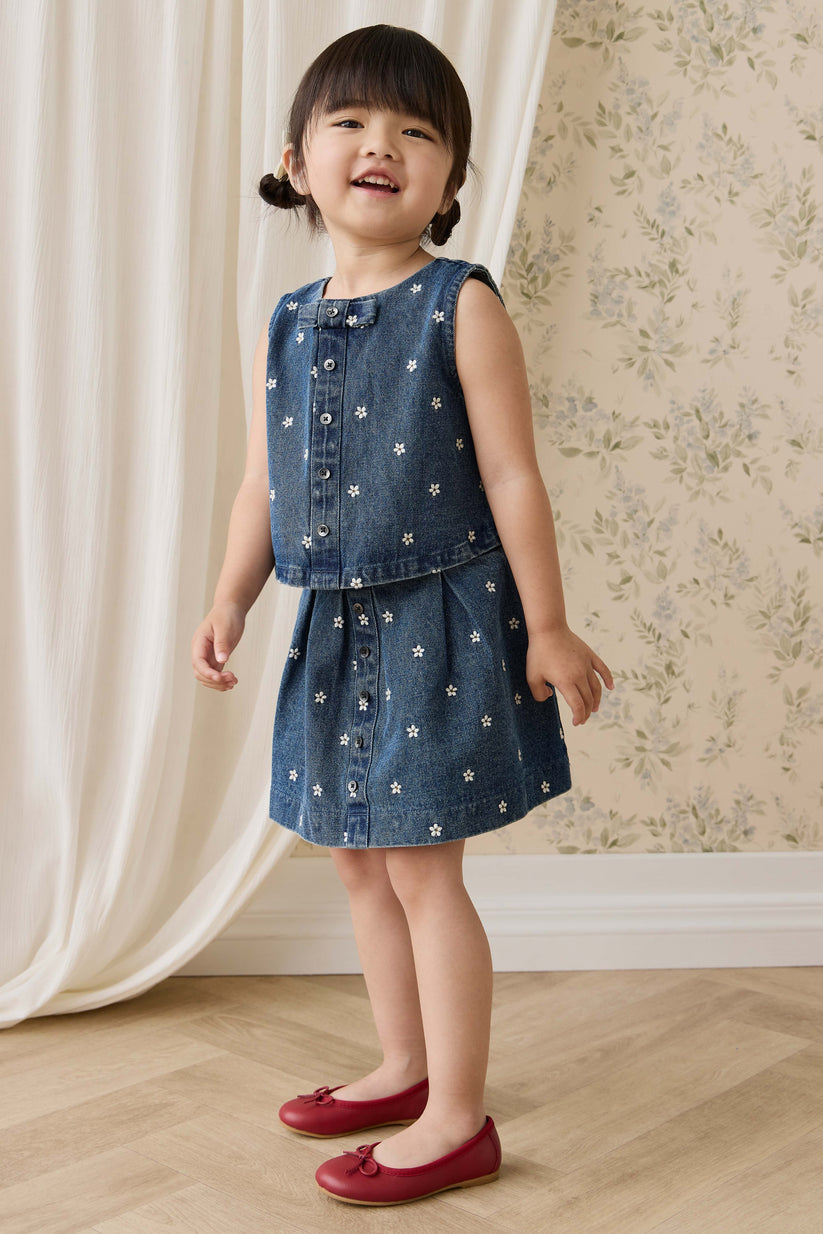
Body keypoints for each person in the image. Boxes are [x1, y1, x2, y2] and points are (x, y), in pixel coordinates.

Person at [191, 23, 614, 1208]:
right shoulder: (286, 320)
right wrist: (230, 594)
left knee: (426, 872)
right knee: (361, 868)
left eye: (418, 133)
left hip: (441, 622)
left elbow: (515, 478)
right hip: (334, 626)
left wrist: (550, 624)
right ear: (296, 158)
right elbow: (265, 482)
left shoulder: (457, 305)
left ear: (449, 183)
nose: (382, 145)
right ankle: (402, 1061)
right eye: (353, 123)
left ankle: (457, 1117)